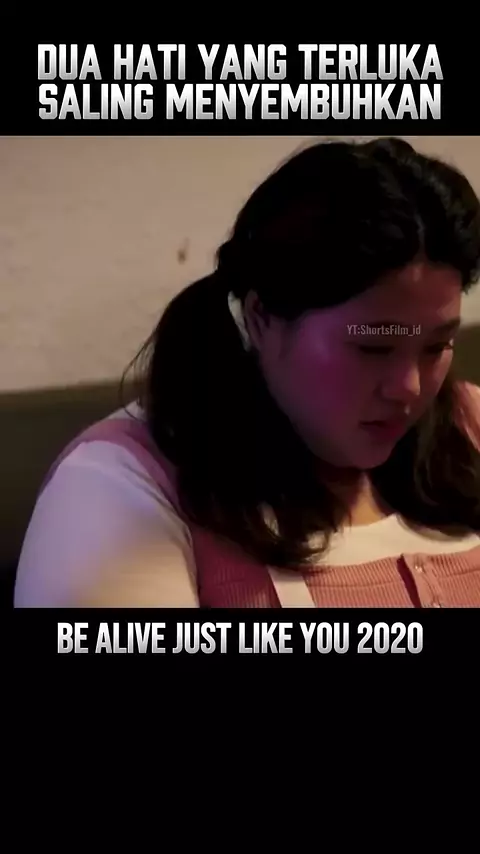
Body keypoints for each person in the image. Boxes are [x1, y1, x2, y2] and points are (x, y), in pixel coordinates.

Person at [14, 137, 480, 608]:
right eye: (372, 346)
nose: (409, 387)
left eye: (436, 345)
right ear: (261, 318)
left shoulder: (470, 425)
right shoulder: (119, 488)